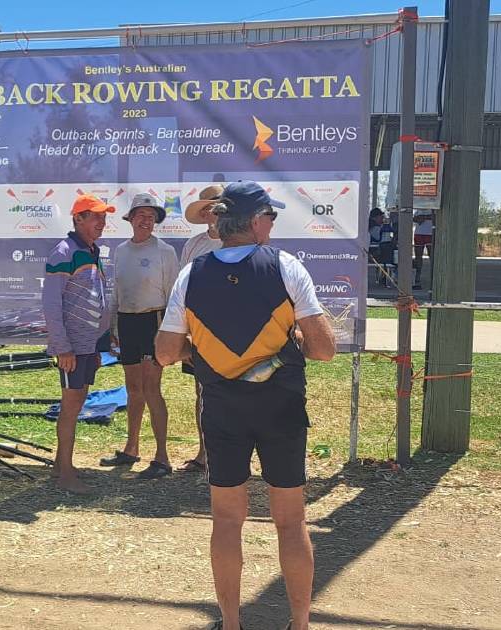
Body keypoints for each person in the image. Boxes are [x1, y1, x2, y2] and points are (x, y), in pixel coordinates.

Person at [155, 181, 336, 630]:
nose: (273, 224)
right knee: (291, 523)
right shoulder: (285, 266)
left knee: (227, 520)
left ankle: (231, 623)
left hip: (222, 410)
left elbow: (163, 352)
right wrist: (293, 339)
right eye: (270, 217)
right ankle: (299, 622)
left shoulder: (191, 273)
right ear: (255, 221)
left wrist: (199, 352)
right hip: (282, 407)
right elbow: (325, 350)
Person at [100, 193, 179, 478]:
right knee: (132, 389)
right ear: (130, 219)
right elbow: (117, 292)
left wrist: (171, 334)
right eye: (140, 215)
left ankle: (162, 457)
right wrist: (114, 328)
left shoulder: (165, 251)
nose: (146, 221)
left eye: (151, 216)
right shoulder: (121, 250)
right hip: (127, 322)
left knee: (151, 388)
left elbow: (174, 296)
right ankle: (131, 448)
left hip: (153, 321)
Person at [42, 194, 114, 494]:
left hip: (87, 347)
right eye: (95, 216)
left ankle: (62, 465)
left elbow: (97, 300)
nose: (102, 222)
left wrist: (99, 346)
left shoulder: (91, 250)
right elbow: (51, 305)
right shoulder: (64, 251)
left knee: (78, 402)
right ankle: (66, 476)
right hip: (72, 348)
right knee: (71, 408)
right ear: (78, 219)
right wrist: (62, 347)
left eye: (104, 216)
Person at [177, 184, 225, 474]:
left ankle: (230, 455)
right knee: (203, 394)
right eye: (208, 208)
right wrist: (183, 335)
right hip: (199, 333)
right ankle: (204, 453)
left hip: (236, 334)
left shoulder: (244, 243)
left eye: (218, 207)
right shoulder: (193, 245)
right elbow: (181, 293)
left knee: (235, 394)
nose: (213, 213)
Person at [413, 209, 434, 290]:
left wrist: (424, 217)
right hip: (418, 233)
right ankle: (417, 279)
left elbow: (434, 216)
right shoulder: (419, 209)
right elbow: (414, 219)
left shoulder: (432, 207)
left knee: (431, 256)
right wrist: (419, 218)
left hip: (430, 233)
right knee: (418, 257)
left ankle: (433, 279)